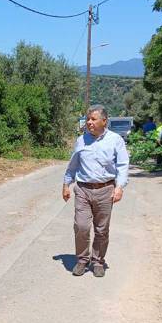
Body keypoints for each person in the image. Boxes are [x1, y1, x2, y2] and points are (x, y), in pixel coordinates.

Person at [62, 104, 129, 278]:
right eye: (88, 119)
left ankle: (98, 261)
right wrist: (66, 184)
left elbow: (122, 165)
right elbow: (72, 165)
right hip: (83, 189)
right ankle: (82, 260)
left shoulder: (115, 140)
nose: (89, 122)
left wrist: (119, 187)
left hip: (105, 189)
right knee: (81, 226)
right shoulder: (81, 140)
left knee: (101, 229)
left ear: (104, 121)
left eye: (93, 119)